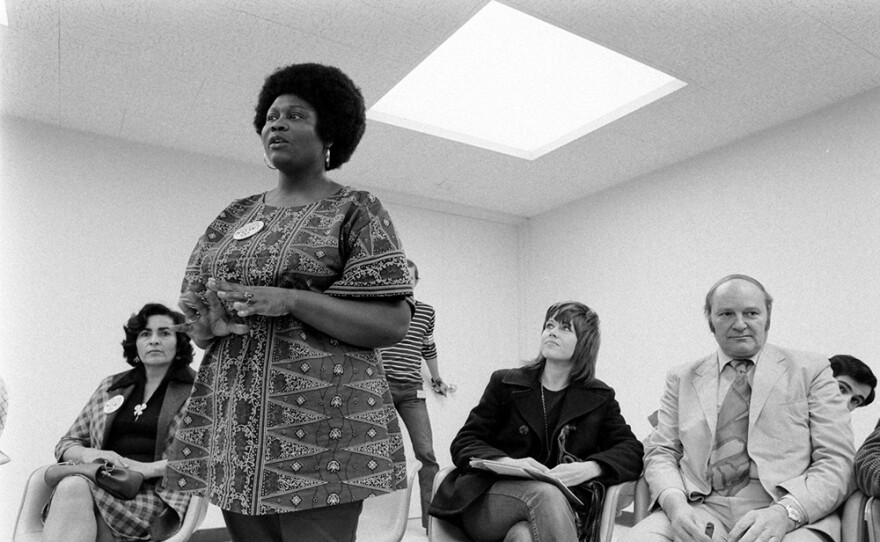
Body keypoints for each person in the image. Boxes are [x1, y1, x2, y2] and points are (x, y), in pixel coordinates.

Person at [162, 63, 413, 542]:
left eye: (295, 115)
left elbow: (391, 322)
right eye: (271, 116)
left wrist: (291, 300)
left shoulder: (356, 210)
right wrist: (205, 328)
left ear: (330, 133)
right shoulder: (233, 216)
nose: (275, 124)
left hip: (326, 428)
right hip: (235, 420)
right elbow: (196, 315)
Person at [625, 275, 854, 542]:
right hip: (700, 507)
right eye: (726, 314)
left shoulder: (811, 370)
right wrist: (677, 507)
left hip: (787, 511)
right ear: (710, 320)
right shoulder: (681, 377)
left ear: (767, 317)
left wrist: (786, 512)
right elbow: (661, 452)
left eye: (751, 313)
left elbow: (838, 460)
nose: (740, 324)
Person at [430, 301, 643, 542]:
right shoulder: (505, 383)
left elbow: (632, 450)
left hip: (554, 511)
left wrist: (590, 468)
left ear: (584, 343)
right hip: (488, 497)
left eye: (565, 328)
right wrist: (510, 463)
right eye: (549, 325)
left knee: (524, 537)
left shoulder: (599, 397)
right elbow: (464, 442)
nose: (551, 332)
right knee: (545, 494)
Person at [43, 303, 195, 542]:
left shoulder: (199, 392)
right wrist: (88, 454)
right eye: (145, 334)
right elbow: (67, 443)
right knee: (76, 488)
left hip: (155, 494)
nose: (154, 340)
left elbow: (208, 458)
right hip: (104, 482)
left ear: (179, 343)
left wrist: (146, 469)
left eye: (164, 333)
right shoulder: (111, 387)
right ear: (135, 344)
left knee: (75, 489)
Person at [378, 259, 447, 530]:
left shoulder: (426, 311)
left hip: (412, 391)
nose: (405, 283)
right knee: (383, 456)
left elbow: (427, 347)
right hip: (381, 389)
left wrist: (437, 379)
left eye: (410, 278)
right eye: (400, 278)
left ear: (416, 281)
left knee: (426, 454)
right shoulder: (379, 309)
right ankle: (383, 523)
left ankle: (431, 524)